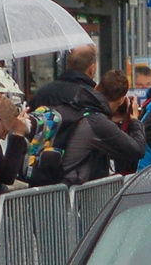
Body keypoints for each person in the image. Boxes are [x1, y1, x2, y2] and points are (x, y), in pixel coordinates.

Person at [26, 45, 112, 187]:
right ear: (92, 68)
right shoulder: (92, 98)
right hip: (81, 179)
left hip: (42, 174)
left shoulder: (43, 93)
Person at [63, 69, 146, 182]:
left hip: (61, 182)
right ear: (121, 99)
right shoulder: (97, 122)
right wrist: (134, 119)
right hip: (74, 187)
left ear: (96, 87)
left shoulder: (78, 105)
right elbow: (138, 150)